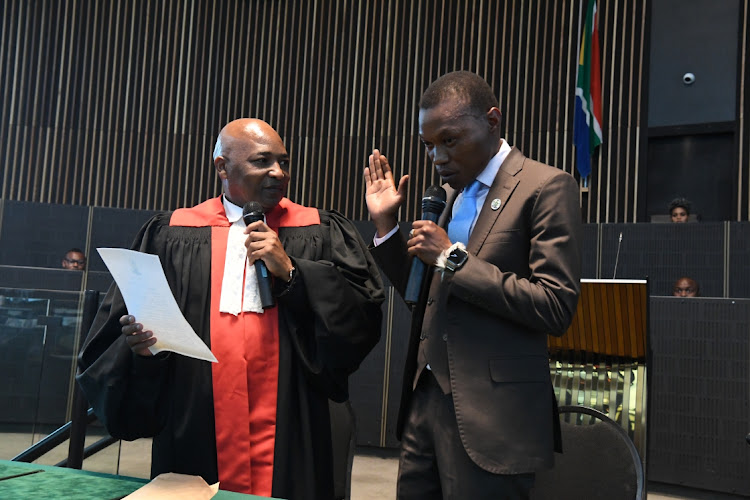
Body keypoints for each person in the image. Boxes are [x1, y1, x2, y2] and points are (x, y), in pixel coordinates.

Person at [77, 118, 385, 499]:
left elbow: (362, 317)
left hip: (293, 418)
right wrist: (144, 349)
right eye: (262, 161)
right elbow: (119, 332)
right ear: (223, 167)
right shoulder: (172, 232)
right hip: (197, 416)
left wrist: (292, 271)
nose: (279, 173)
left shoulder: (319, 229)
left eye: (284, 162)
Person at [364, 71, 582, 499]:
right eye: (429, 145)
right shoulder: (447, 197)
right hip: (424, 403)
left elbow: (556, 305)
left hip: (494, 417)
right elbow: (422, 296)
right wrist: (387, 226)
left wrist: (451, 257)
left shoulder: (546, 187)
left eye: (450, 139)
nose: (437, 156)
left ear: (493, 121)